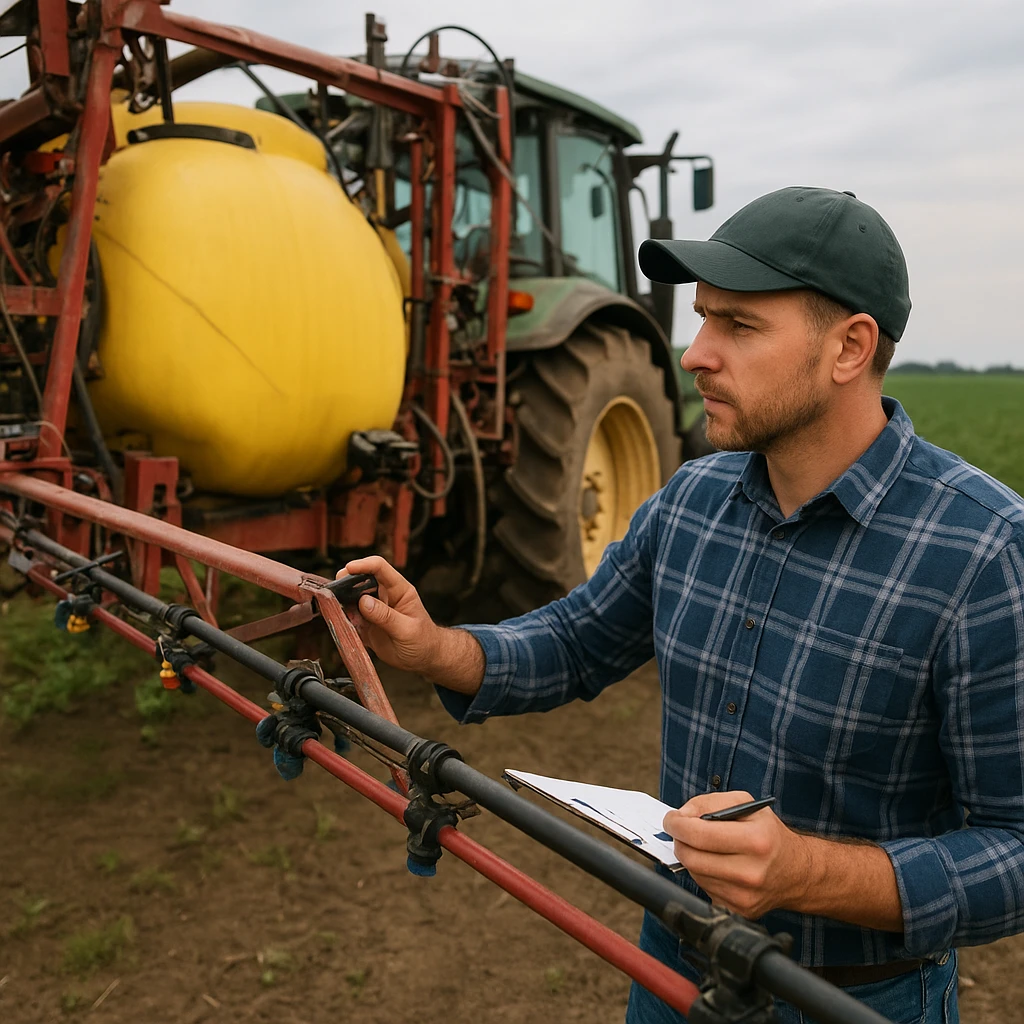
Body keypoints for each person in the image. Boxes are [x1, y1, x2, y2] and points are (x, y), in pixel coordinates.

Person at [342, 187, 1024, 1024]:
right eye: (701, 320)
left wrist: (808, 873)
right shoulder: (693, 498)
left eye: (738, 326)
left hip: (851, 1000)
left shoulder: (983, 552)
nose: (696, 353)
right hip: (671, 967)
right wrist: (435, 647)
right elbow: (579, 640)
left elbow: (1014, 849)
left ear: (850, 347)